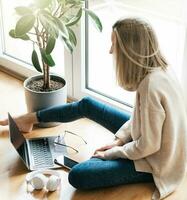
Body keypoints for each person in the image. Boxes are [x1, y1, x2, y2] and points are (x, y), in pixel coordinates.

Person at [1, 18, 187, 200]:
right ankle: (28, 119)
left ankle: (94, 160)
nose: (110, 50)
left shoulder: (151, 86)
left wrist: (111, 153)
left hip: (155, 162)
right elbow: (141, 119)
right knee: (88, 104)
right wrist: (120, 140)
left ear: (130, 51)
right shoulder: (160, 70)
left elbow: (148, 146)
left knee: (78, 175)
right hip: (149, 141)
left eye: (114, 45)